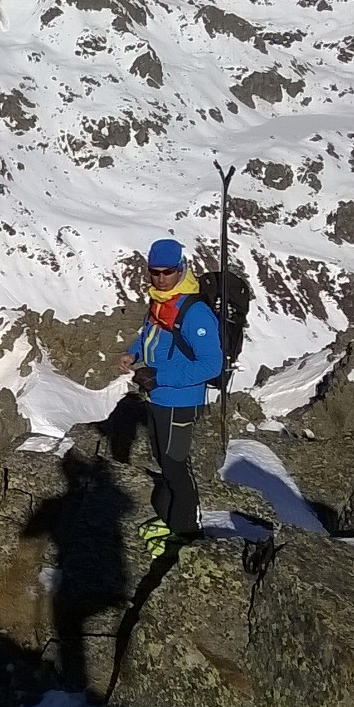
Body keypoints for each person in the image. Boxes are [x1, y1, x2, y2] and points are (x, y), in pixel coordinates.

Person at [118, 238, 223, 557]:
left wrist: (159, 376)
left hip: (179, 400)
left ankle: (186, 532)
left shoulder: (195, 312)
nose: (160, 278)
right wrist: (133, 353)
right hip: (156, 397)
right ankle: (169, 520)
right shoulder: (161, 301)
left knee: (176, 465)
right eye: (154, 272)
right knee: (164, 461)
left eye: (167, 272)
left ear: (181, 268)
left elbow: (211, 363)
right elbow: (148, 333)